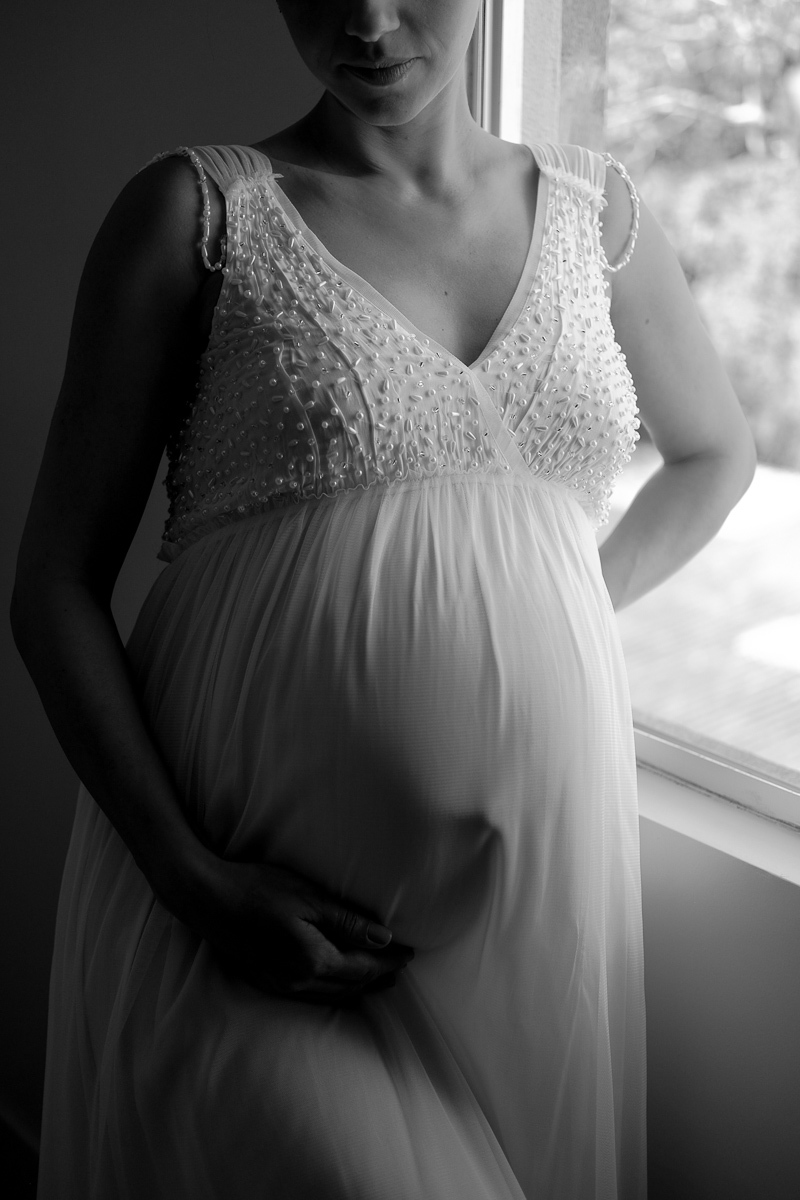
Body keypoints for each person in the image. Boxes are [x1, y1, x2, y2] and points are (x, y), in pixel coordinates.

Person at [12, 1, 756, 1197]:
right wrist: (191, 880)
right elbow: (51, 588)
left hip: (523, 916)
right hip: (245, 899)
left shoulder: (590, 213)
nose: (364, 17)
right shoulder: (198, 216)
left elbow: (713, 452)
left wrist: (555, 610)